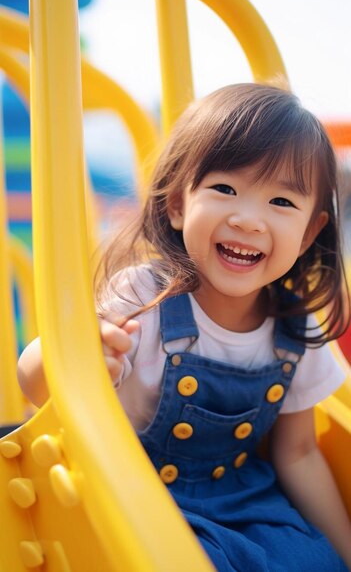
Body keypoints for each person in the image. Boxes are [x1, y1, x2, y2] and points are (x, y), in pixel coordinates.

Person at [18, 83, 351, 571]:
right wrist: (68, 353)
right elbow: (36, 388)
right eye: (225, 189)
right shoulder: (145, 295)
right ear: (177, 204)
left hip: (247, 501)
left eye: (281, 202)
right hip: (134, 492)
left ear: (309, 233)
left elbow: (298, 452)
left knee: (313, 560)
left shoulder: (294, 324)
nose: (248, 219)